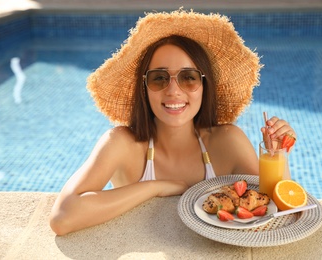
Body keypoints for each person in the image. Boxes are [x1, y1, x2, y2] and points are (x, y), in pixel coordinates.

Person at [49, 9, 296, 236]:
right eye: (159, 78)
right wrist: (157, 187)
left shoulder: (228, 141)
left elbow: (278, 209)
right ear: (144, 88)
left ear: (204, 86)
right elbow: (62, 217)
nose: (173, 92)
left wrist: (278, 155)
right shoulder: (121, 143)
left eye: (188, 78)